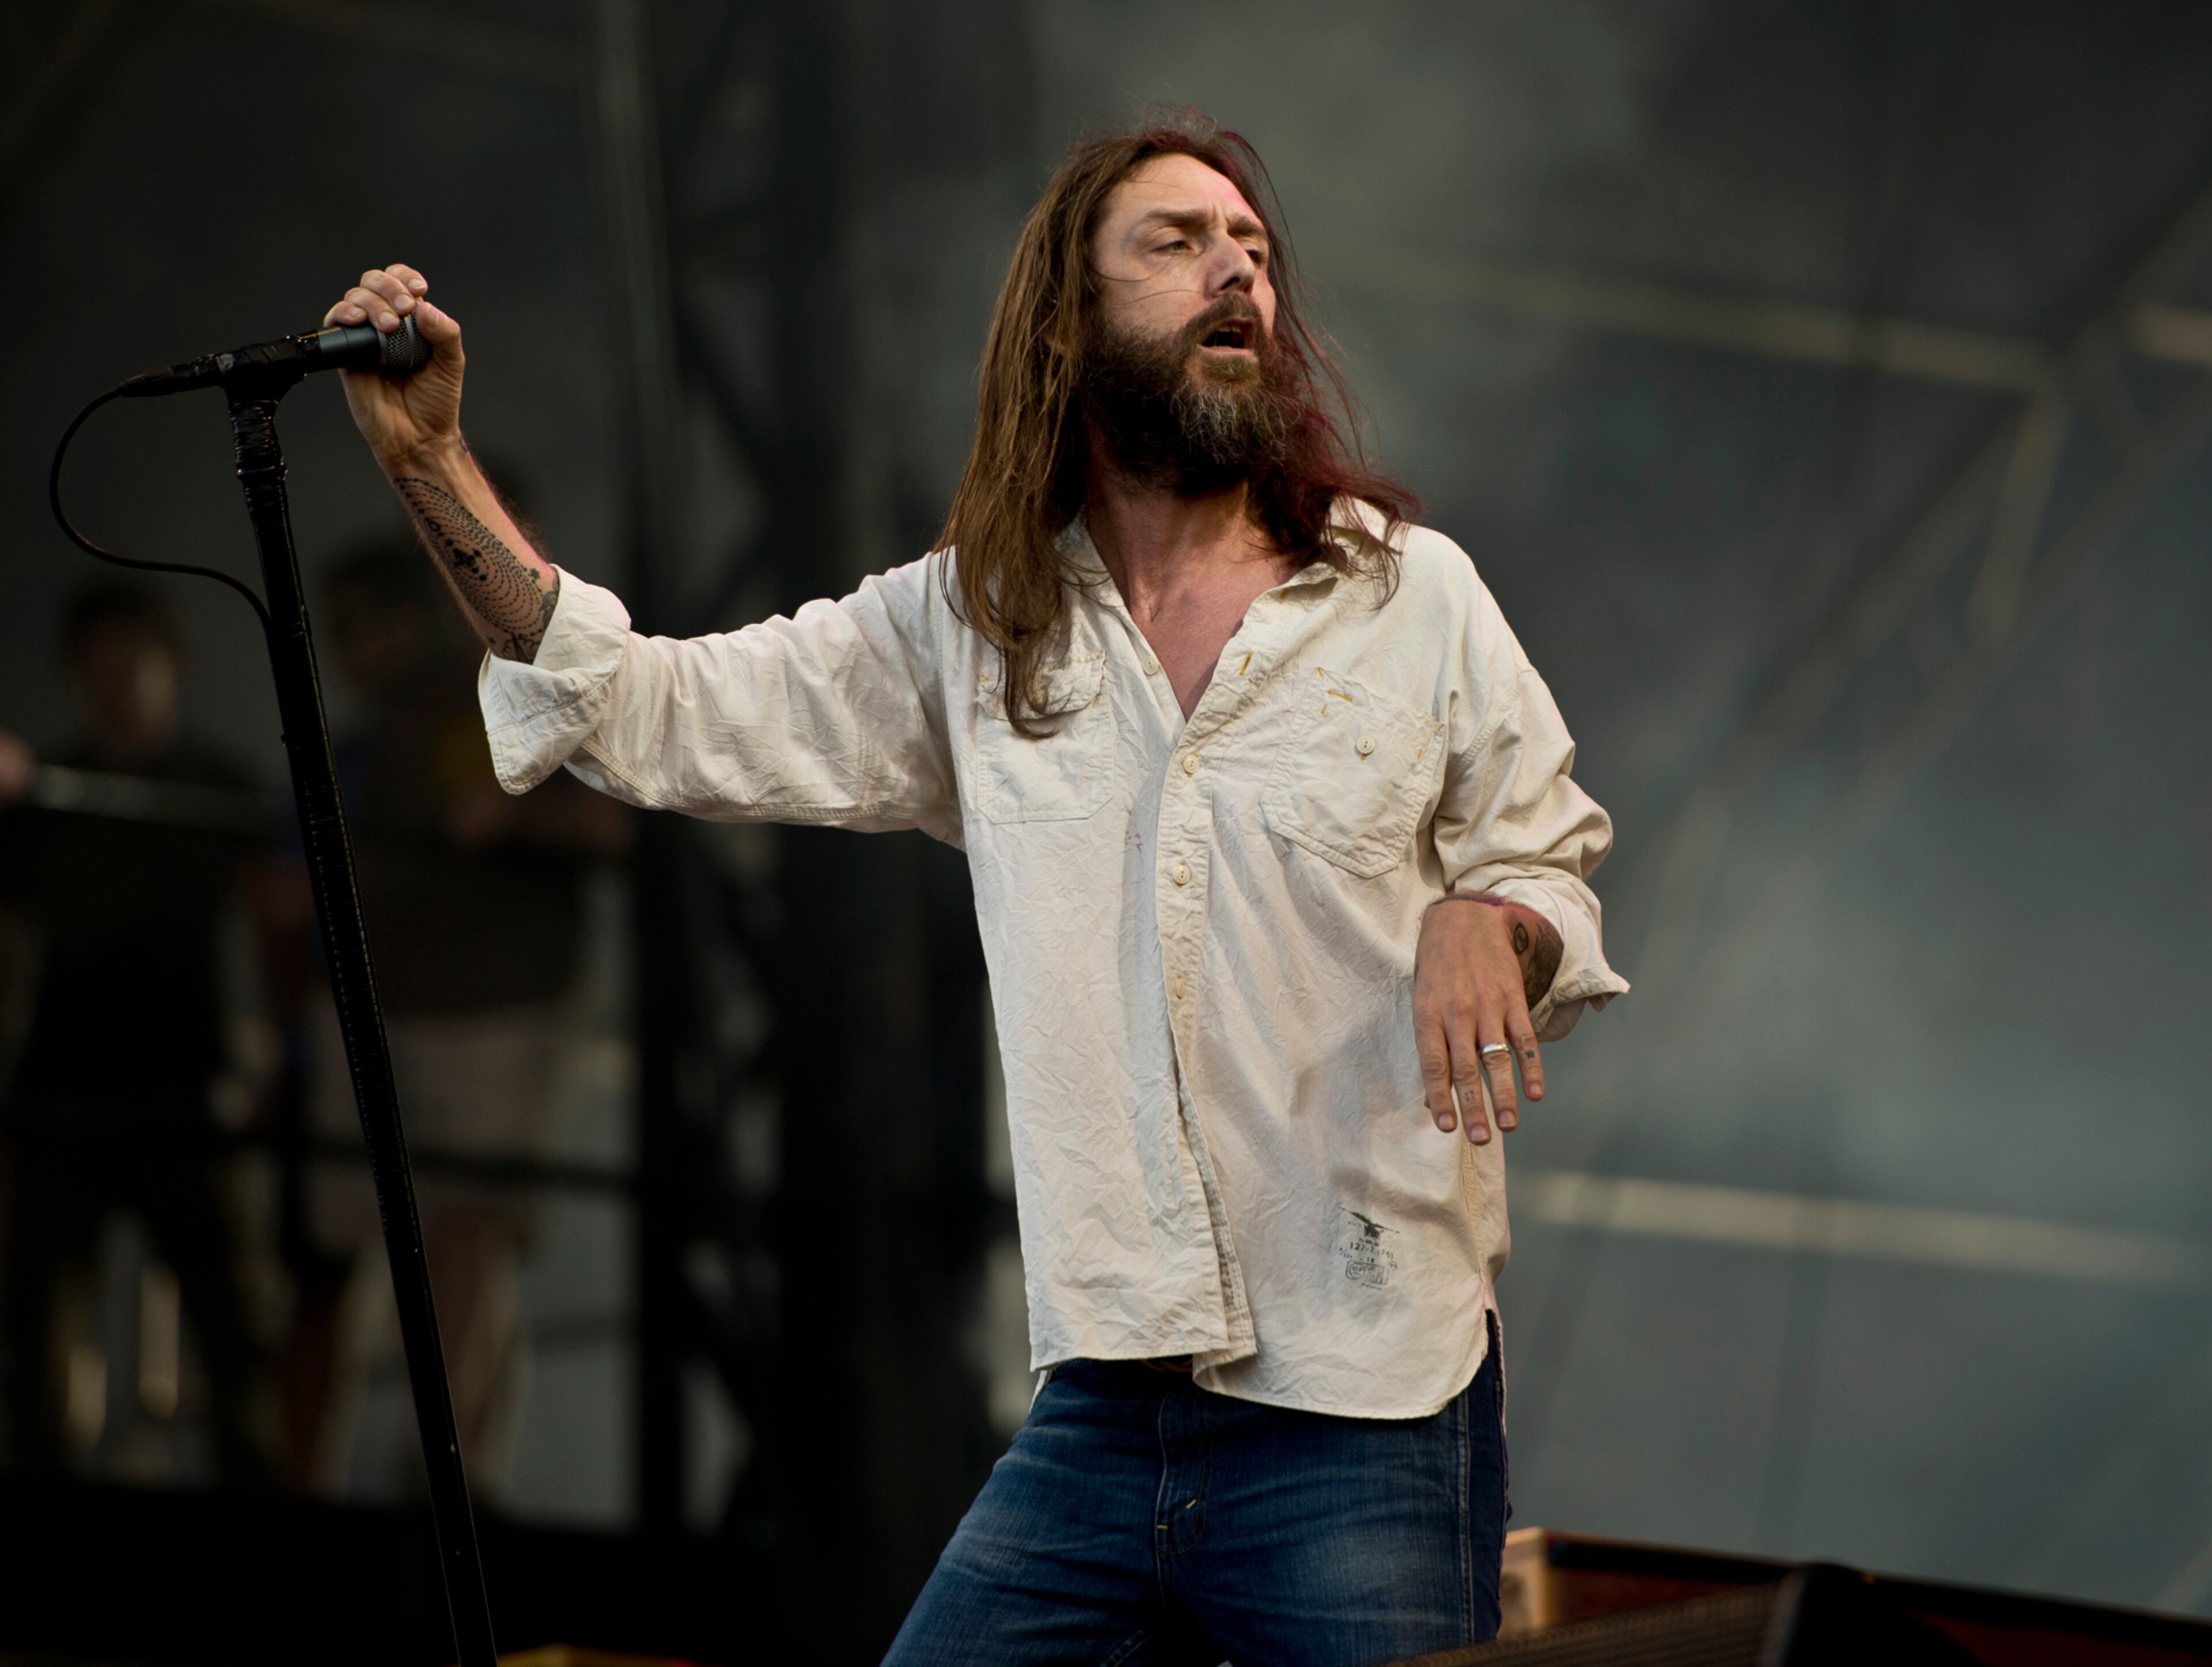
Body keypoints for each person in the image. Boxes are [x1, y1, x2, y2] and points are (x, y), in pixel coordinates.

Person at [324, 116, 1626, 1665]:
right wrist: (432, 465)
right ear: (1068, 321)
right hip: (1100, 1405)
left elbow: (1541, 845)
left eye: (1256, 253)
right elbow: (641, 704)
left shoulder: (1408, 592)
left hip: (1361, 1396)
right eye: (1180, 242)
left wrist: (1497, 913)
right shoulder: (976, 628)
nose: (1238, 272)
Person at [282, 539, 628, 1498]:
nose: (350, 647)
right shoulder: (385, 727)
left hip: (492, 1009)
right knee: (418, 1240)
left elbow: (608, 822)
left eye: (364, 624)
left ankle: (447, 1480)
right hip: (403, 1013)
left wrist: (506, 819)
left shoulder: (490, 696)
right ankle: (435, 1476)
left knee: (466, 1230)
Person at [0, 584, 274, 1484]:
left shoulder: (220, 791)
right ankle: (46, 1517)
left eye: (133, 662)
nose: (116, 682)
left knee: (230, 1321)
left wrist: (267, 1060)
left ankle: (261, 1519)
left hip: (185, 1084)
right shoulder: (44, 796)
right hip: (61, 1087)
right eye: (98, 666)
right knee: (39, 1320)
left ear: (171, 667)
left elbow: (282, 927)